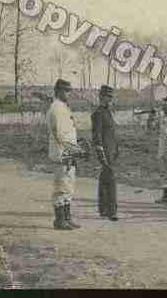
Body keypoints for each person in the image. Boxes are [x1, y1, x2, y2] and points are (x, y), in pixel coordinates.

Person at [46, 79, 84, 230]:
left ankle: (67, 218)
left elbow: (68, 133)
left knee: (68, 185)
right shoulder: (56, 108)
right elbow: (61, 135)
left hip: (68, 152)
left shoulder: (63, 107)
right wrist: (77, 150)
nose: (69, 93)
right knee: (61, 186)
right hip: (62, 153)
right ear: (58, 91)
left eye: (69, 91)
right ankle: (59, 220)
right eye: (66, 91)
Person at [91, 85, 120, 221]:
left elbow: (112, 133)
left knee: (104, 179)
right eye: (108, 96)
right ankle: (112, 211)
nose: (110, 99)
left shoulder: (108, 112)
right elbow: (96, 136)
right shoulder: (98, 113)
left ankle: (103, 209)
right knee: (111, 180)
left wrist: (117, 149)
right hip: (105, 151)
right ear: (101, 97)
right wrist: (101, 154)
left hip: (112, 150)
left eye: (111, 97)